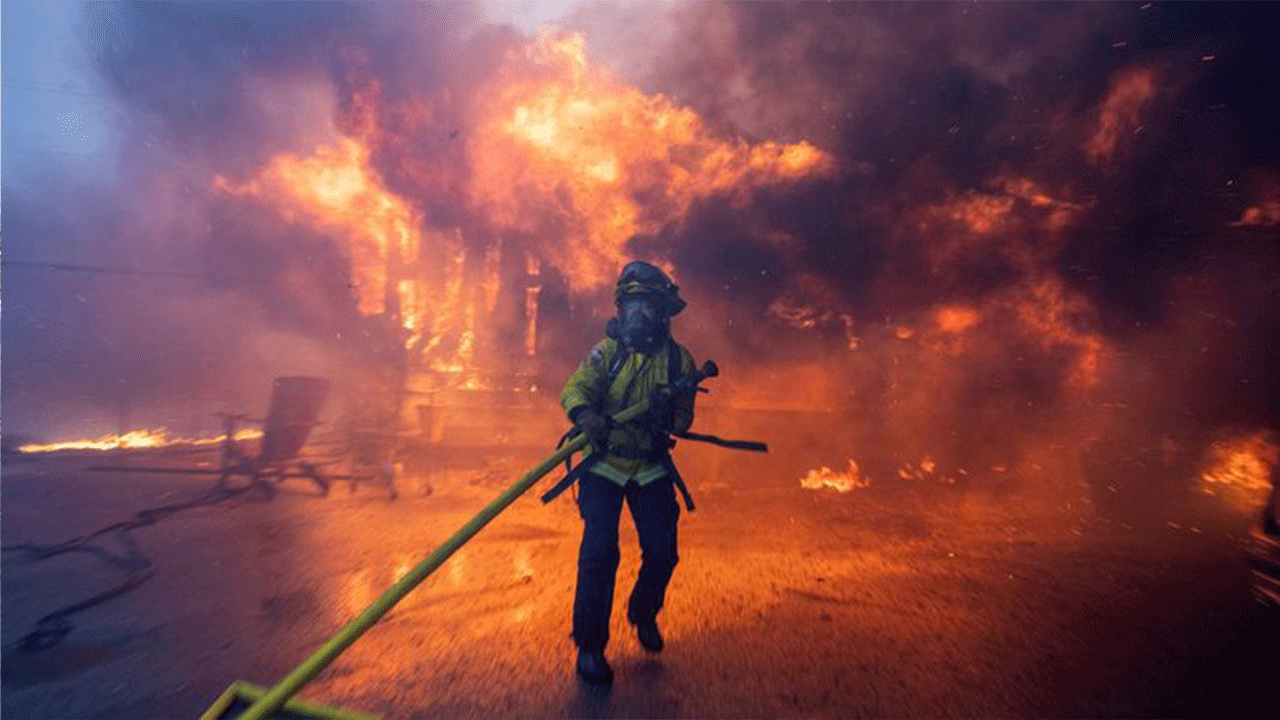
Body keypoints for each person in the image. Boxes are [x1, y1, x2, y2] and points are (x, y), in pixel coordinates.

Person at [559, 260, 698, 685]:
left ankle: (643, 612)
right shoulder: (607, 352)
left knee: (663, 552)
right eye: (631, 305)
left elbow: (683, 420)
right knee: (600, 554)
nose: (638, 316)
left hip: (650, 467)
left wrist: (666, 418)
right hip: (604, 465)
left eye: (646, 306)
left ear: (662, 312)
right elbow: (575, 387)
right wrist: (584, 416)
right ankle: (589, 647)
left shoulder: (679, 362)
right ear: (621, 309)